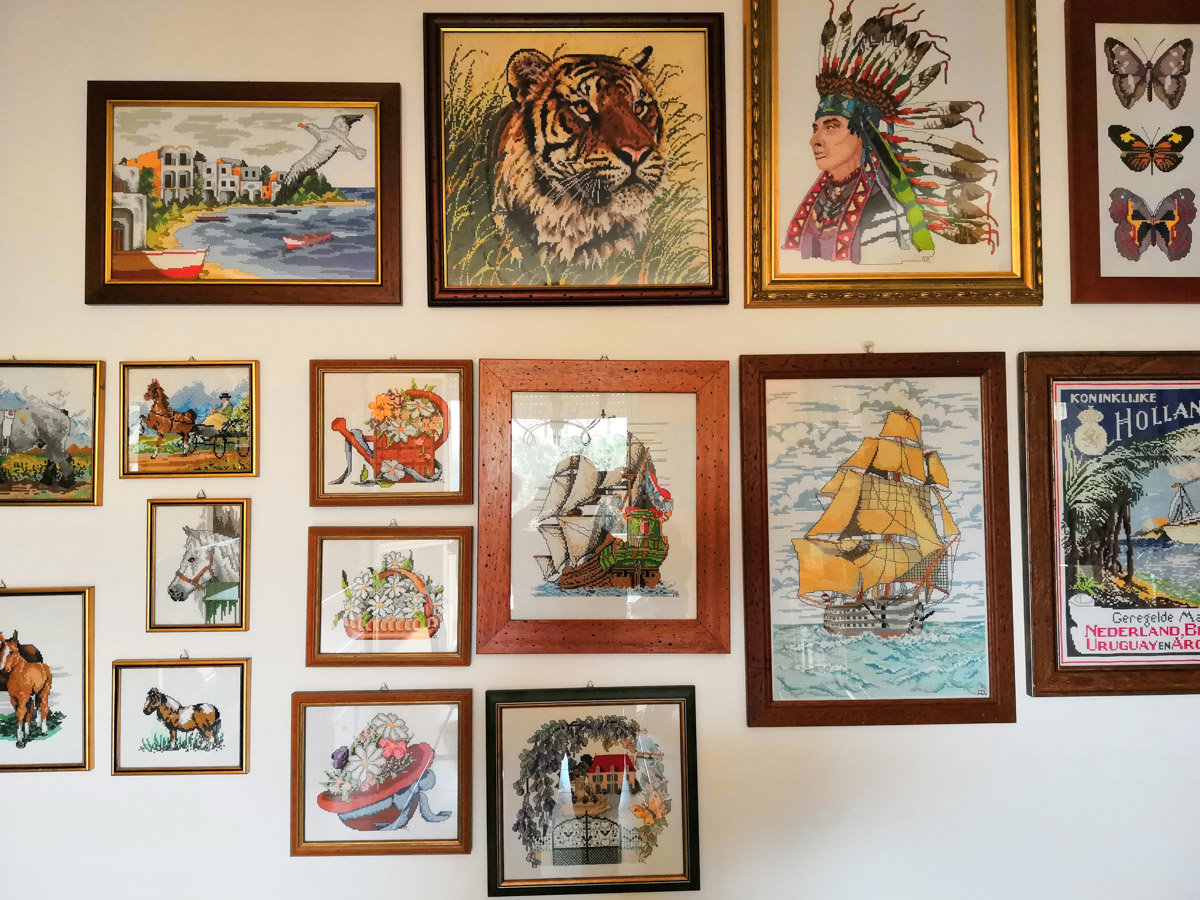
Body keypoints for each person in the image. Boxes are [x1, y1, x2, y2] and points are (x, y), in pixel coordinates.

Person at [783, 4, 998, 265]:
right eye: (816, 128)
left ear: (862, 133)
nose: (814, 140)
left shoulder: (885, 204)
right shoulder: (822, 195)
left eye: (831, 127)